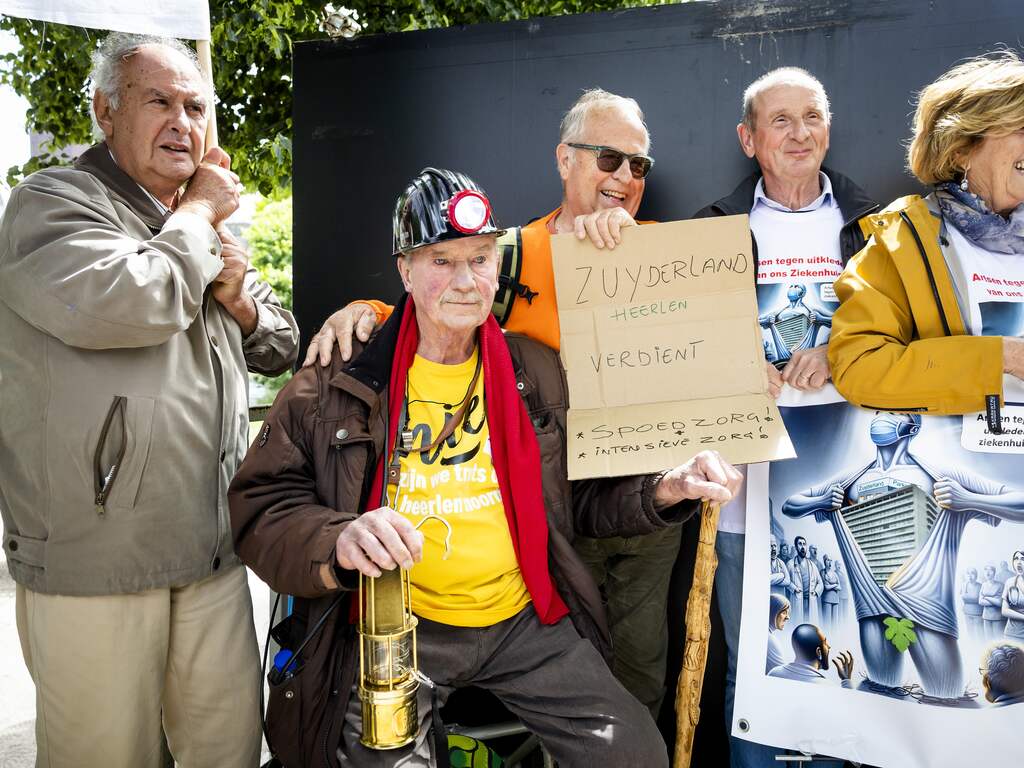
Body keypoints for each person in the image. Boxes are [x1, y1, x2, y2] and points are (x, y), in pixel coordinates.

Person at [228, 167, 743, 768]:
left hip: (524, 621)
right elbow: (261, 508)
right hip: (395, 626)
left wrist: (666, 488)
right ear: (405, 269)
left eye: (479, 258)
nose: (465, 281)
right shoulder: (335, 380)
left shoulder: (536, 373)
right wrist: (341, 538)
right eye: (441, 261)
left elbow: (579, 501)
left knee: (633, 753)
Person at [301, 89, 680, 718]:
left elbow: (708, 342)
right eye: (609, 159)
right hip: (554, 500)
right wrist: (365, 313)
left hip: (642, 488)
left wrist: (636, 252)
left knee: (640, 670)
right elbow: (443, 299)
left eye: (638, 165)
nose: (624, 177)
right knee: (569, 668)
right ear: (566, 160)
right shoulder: (511, 253)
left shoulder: (665, 247)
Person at [0, 34, 299, 768]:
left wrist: (240, 300)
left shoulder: (199, 228)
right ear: (105, 110)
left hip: (211, 550)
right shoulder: (52, 204)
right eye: (158, 101)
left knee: (227, 751)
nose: (182, 122)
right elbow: (131, 302)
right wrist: (197, 215)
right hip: (98, 561)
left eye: (196, 107)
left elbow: (282, 343)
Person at [690, 66, 877, 768]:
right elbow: (681, 347)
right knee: (752, 668)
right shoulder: (714, 229)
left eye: (812, 118)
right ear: (748, 138)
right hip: (747, 487)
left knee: (843, 661)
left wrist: (839, 351)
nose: (800, 134)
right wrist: (738, 363)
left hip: (846, 480)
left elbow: (907, 334)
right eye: (781, 120)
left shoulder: (875, 226)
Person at [829, 51, 1024, 421]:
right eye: (1022, 127)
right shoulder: (901, 238)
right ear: (962, 149)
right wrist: (1005, 357)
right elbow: (860, 367)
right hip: (958, 472)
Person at [767, 623, 854, 688]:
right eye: (825, 643)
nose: (829, 646)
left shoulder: (774, 673)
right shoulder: (827, 686)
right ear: (819, 652)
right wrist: (846, 681)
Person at [788, 535, 822, 625]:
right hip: (798, 599)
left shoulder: (812, 565)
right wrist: (794, 588)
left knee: (810, 625)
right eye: (800, 544)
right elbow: (786, 581)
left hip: (810, 600)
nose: (802, 547)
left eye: (804, 544)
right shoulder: (790, 564)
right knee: (798, 624)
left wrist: (816, 592)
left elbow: (820, 583)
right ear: (796, 547)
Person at [766, 594, 792, 673]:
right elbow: (782, 674)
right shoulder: (770, 640)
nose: (788, 617)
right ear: (773, 612)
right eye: (784, 612)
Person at [982, 564, 1009, 639]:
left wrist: (986, 597)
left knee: (998, 640)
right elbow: (980, 601)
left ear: (994, 572)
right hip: (986, 616)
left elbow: (999, 603)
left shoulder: (1000, 585)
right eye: (986, 570)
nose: (987, 572)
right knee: (988, 640)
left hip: (997, 617)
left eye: (990, 570)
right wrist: (993, 599)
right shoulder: (983, 585)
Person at [1003, 550, 1024, 641]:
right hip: (1011, 634)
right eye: (1016, 559)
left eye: (1023, 559)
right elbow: (1004, 610)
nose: (1018, 562)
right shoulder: (1010, 582)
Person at [961, 567, 984, 639]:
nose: (970, 576)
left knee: (979, 634)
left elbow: (977, 598)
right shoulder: (964, 585)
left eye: (972, 573)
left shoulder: (980, 586)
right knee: (970, 633)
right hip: (967, 613)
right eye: (968, 573)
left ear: (976, 575)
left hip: (978, 614)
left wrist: (967, 597)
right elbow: (962, 597)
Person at [820, 554, 841, 628]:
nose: (830, 562)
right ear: (825, 561)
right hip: (826, 599)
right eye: (828, 560)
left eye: (831, 560)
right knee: (827, 623)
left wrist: (832, 585)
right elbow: (826, 587)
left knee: (834, 623)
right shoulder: (822, 572)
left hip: (835, 600)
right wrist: (835, 585)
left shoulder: (834, 573)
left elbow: (840, 587)